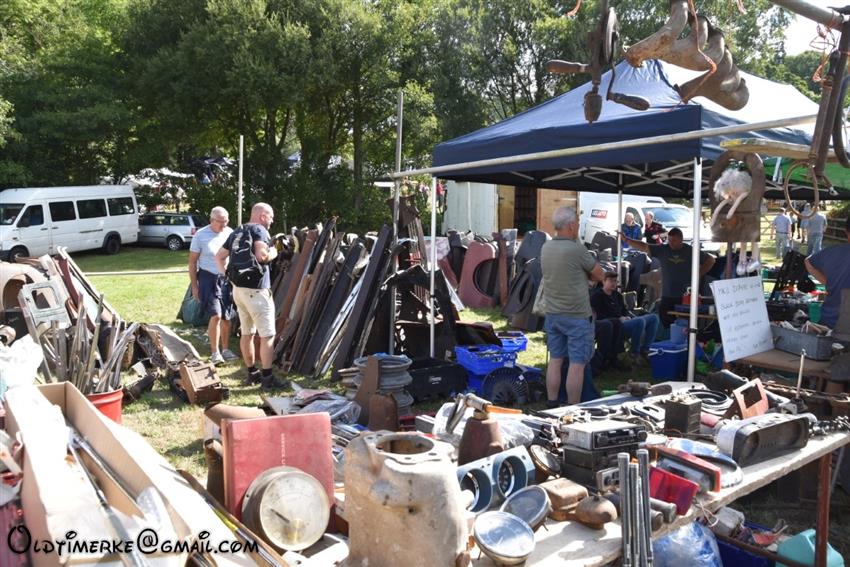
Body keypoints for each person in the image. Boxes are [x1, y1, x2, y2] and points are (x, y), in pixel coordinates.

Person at [216, 202, 286, 390]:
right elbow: (262, 256)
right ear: (263, 216)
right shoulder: (259, 230)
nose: (272, 221)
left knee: (247, 333)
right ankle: (267, 378)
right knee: (267, 335)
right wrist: (275, 252)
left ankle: (252, 373)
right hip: (257, 291)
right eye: (271, 217)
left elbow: (219, 256)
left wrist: (228, 277)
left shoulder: (238, 231)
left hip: (239, 291)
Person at [541, 206, 604, 407]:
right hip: (577, 315)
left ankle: (552, 403)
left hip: (553, 313)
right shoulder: (576, 249)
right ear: (570, 225)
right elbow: (600, 274)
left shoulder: (545, 247)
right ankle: (572, 408)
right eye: (577, 222)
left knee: (556, 360)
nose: (577, 225)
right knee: (577, 365)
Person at [620, 227, 715, 327]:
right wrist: (627, 240)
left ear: (681, 240)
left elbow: (711, 260)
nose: (670, 243)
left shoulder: (690, 251)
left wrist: (698, 273)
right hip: (667, 296)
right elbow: (645, 247)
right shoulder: (663, 249)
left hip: (685, 297)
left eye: (674, 240)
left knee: (684, 327)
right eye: (669, 240)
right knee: (665, 324)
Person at [189, 206, 238, 364]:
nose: (224, 225)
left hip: (225, 279)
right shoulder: (200, 235)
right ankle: (215, 352)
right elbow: (192, 262)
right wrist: (194, 286)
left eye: (226, 221)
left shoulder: (230, 233)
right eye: (220, 222)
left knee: (226, 316)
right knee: (216, 315)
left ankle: (226, 349)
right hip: (207, 279)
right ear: (211, 220)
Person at [591, 272, 661, 364]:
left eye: (615, 281)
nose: (613, 283)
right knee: (639, 321)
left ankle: (645, 349)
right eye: (611, 281)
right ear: (603, 281)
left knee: (654, 317)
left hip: (625, 322)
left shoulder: (617, 295)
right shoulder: (597, 296)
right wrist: (619, 319)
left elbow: (624, 311)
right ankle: (634, 353)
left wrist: (628, 316)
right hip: (613, 326)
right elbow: (598, 317)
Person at [806, 216, 850, 330]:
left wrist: (827, 282)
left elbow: (808, 262)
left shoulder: (831, 252)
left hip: (829, 322)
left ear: (846, 232)